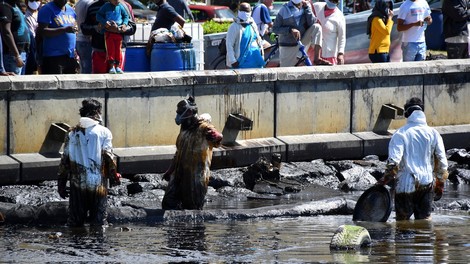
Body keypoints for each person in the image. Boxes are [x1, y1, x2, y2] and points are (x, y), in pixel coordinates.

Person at [377, 97, 448, 221]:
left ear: (407, 114)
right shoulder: (434, 134)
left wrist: (383, 181)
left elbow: (393, 163)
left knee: (402, 223)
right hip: (427, 182)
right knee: (424, 222)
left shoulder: (400, 134)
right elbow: (442, 163)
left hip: (405, 184)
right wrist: (440, 184)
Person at [57, 98, 121, 227]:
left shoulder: (71, 133)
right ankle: (96, 246)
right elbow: (108, 156)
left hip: (77, 183)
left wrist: (61, 183)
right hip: (98, 184)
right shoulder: (104, 132)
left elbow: (65, 160)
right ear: (97, 112)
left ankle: (75, 245)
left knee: (75, 222)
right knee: (99, 222)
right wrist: (114, 176)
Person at [162, 96, 223, 210]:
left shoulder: (203, 127)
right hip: (179, 174)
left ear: (189, 112)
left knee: (192, 208)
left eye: (180, 113)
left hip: (195, 177)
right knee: (168, 203)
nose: (178, 116)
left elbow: (217, 136)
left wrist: (218, 136)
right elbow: (179, 152)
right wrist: (170, 170)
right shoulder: (184, 129)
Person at [81, 0, 135, 73]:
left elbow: (132, 27)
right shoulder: (93, 7)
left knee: (117, 80)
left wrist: (120, 29)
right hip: (99, 52)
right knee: (99, 81)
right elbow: (85, 28)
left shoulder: (124, 6)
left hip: (118, 51)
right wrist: (98, 27)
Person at [272, 0, 331, 66]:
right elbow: (275, 28)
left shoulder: (306, 7)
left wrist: (307, 8)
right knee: (285, 71)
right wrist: (290, 30)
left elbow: (312, 23)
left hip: (301, 42)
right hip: (288, 46)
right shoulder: (284, 10)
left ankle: (317, 58)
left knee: (317, 27)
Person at [37, 0, 78, 74]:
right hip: (53, 56)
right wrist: (64, 30)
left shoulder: (71, 10)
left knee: (70, 84)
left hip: (70, 56)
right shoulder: (47, 9)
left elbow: (74, 27)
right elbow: (42, 31)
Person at [225, 2, 265, 68]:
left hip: (256, 60)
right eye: (242, 10)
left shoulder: (252, 24)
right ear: (238, 11)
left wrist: (261, 54)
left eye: (247, 11)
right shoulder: (234, 26)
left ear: (250, 12)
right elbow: (229, 45)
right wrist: (233, 61)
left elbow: (258, 40)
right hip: (241, 62)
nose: (244, 13)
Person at [96, 0, 129, 74]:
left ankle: (117, 66)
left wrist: (124, 24)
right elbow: (98, 15)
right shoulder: (106, 6)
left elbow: (126, 16)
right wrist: (105, 22)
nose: (117, 1)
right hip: (109, 32)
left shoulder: (120, 6)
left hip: (118, 32)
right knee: (110, 50)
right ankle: (111, 66)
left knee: (118, 50)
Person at [0, 0, 30, 75]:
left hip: (22, 52)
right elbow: (6, 32)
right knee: (14, 84)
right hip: (12, 55)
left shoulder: (16, 6)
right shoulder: (4, 6)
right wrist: (16, 56)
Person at [312, 0, 346, 65]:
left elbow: (342, 37)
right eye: (331, 0)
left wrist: (340, 53)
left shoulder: (339, 16)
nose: (332, 2)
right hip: (313, 53)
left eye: (335, 1)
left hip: (328, 54)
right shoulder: (317, 6)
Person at [75, 0, 95, 74]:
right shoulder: (90, 3)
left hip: (80, 39)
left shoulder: (78, 3)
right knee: (88, 70)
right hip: (87, 39)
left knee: (83, 68)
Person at [24, 0, 40, 74]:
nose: (35, 2)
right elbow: (32, 35)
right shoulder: (26, 16)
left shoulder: (40, 13)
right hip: (32, 46)